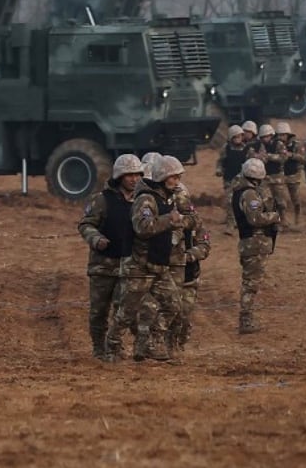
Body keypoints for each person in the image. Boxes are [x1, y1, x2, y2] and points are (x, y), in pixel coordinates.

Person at [104, 155, 188, 363]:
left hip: (158, 265)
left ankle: (152, 342)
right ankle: (111, 347)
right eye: (173, 177)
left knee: (173, 305)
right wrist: (170, 220)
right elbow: (143, 228)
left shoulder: (167, 198)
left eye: (178, 177)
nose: (177, 181)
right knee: (126, 313)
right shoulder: (146, 199)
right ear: (162, 177)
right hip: (139, 267)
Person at [77, 154, 143, 361]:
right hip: (103, 266)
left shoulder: (143, 201)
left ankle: (117, 346)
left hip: (130, 266)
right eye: (129, 175)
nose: (134, 179)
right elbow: (86, 224)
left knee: (125, 310)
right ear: (119, 176)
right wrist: (96, 239)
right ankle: (99, 348)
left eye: (137, 174)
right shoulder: (102, 200)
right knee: (99, 311)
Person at [229, 158, 280, 334]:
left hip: (253, 244)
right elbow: (255, 219)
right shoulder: (249, 194)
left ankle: (247, 318)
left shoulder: (243, 190)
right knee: (251, 283)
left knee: (251, 282)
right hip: (254, 244)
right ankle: (246, 320)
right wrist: (274, 216)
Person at [169, 184, 210, 354]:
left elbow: (205, 245)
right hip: (167, 277)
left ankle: (178, 345)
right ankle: (167, 347)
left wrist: (189, 256)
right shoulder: (163, 221)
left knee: (184, 315)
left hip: (189, 277)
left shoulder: (195, 221)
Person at [216, 125, 249, 235]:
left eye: (240, 136)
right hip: (229, 180)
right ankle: (230, 225)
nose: (238, 139)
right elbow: (220, 161)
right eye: (235, 137)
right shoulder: (226, 148)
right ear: (231, 138)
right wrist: (219, 169)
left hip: (243, 180)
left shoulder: (247, 149)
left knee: (243, 202)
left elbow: (251, 163)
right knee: (229, 202)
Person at [258, 124, 292, 231]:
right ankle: (271, 222)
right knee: (266, 200)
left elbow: (283, 157)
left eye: (267, 136)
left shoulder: (279, 144)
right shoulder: (260, 146)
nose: (265, 139)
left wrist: (269, 156)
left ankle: (283, 219)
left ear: (271, 135)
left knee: (281, 201)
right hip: (264, 177)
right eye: (263, 137)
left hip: (277, 176)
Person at [276, 122, 305, 228]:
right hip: (279, 176)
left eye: (283, 135)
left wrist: (291, 155)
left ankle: (298, 217)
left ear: (288, 135)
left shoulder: (296, 145)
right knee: (280, 200)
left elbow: (303, 158)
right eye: (279, 135)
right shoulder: (275, 145)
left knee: (295, 199)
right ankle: (283, 219)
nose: (281, 137)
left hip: (293, 175)